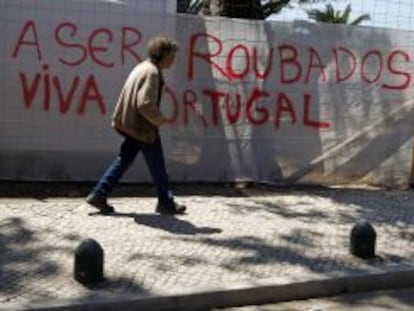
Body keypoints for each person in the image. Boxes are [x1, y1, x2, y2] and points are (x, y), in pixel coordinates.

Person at [86, 35, 186, 215]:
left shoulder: (142, 67)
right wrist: (161, 120)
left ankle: (99, 194)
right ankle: (166, 202)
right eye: (172, 56)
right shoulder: (153, 72)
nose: (173, 60)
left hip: (130, 125)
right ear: (162, 55)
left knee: (124, 159)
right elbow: (145, 103)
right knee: (158, 165)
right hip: (142, 128)